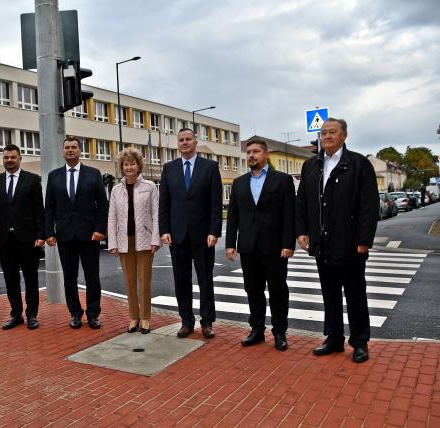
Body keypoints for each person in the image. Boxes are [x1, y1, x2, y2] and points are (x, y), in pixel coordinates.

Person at [296, 118, 379, 363]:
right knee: (329, 294)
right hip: (322, 243)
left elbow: (369, 205)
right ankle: (333, 338)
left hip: (351, 242)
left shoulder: (358, 164)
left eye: (332, 132)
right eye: (323, 133)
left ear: (344, 136)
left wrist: (364, 239)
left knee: (355, 294)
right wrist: (301, 230)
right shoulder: (312, 165)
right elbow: (302, 202)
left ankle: (360, 342)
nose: (327, 136)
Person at [225, 138, 295, 351]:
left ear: (266, 155)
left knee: (278, 291)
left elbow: (289, 214)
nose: (251, 155)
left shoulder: (282, 180)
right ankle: (257, 330)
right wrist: (230, 244)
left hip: (274, 247)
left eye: (256, 151)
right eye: (249, 152)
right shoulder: (239, 183)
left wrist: (288, 243)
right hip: (248, 247)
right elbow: (233, 216)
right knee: (253, 290)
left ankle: (280, 332)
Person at [159, 128, 222, 338]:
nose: (184, 143)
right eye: (181, 140)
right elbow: (164, 202)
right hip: (177, 235)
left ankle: (207, 322)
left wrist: (214, 231)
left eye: (188, 139)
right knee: (181, 280)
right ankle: (186, 321)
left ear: (196, 141)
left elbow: (215, 202)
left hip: (204, 235)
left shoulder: (210, 167)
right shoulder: (169, 169)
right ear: (178, 144)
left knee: (205, 279)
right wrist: (164, 229)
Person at [44, 136, 109, 329]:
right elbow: (49, 207)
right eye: (67, 147)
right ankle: (75, 313)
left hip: (89, 234)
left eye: (74, 147)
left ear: (80, 151)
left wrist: (100, 230)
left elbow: (103, 206)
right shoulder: (54, 176)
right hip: (65, 235)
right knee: (69, 277)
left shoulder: (93, 174)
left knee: (92, 276)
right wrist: (49, 232)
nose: (70, 150)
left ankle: (93, 314)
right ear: (62, 151)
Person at [0, 144, 45, 330]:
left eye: (13, 157)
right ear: (3, 160)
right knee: (10, 278)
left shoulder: (32, 179)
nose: (9, 160)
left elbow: (39, 210)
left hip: (28, 239)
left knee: (31, 279)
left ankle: (32, 315)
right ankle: (16, 314)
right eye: (6, 158)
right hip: (5, 241)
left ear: (20, 158)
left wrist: (40, 235)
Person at [108, 148, 160, 334]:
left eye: (132, 163)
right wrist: (112, 242)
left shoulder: (150, 187)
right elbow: (111, 217)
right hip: (124, 240)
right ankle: (133, 317)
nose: (129, 167)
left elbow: (156, 214)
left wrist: (156, 239)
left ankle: (145, 318)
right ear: (122, 167)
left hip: (145, 239)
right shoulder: (116, 190)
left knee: (144, 281)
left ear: (139, 166)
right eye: (126, 164)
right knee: (129, 281)